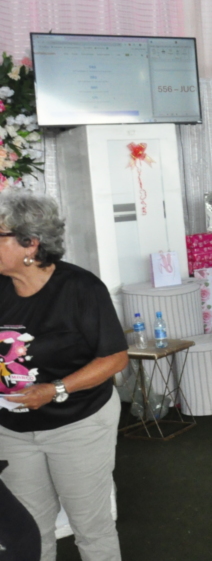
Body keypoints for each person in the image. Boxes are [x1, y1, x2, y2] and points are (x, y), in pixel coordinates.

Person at [0, 190, 128, 561]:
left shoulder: (80, 289)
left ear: (30, 243)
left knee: (90, 526)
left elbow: (115, 358)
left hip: (78, 423)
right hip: (12, 429)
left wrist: (55, 389)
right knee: (29, 530)